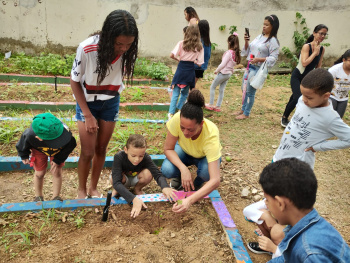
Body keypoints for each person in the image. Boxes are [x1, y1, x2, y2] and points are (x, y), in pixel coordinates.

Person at [70, 10, 139, 199]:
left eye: (128, 44)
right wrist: (88, 115)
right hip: (87, 103)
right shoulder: (86, 49)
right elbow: (75, 81)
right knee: (87, 150)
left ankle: (93, 188)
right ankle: (82, 190)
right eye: (119, 44)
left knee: (101, 149)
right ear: (109, 37)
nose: (124, 48)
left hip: (110, 102)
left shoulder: (128, 51)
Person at [259, 158, 350, 262]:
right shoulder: (308, 224)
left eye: (267, 200)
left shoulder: (310, 254)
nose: (266, 204)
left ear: (280, 204)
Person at [273, 68, 350, 170]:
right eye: (303, 95)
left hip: (297, 168)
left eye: (309, 98)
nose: (304, 99)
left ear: (326, 96)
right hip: (279, 157)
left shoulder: (330, 117)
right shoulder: (302, 100)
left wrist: (318, 147)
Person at [161, 90, 221, 213]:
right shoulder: (177, 118)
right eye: (182, 128)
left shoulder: (211, 135)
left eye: (190, 130)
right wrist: (183, 169)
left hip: (203, 156)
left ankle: (196, 184)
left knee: (206, 173)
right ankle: (179, 177)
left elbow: (215, 180)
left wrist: (189, 200)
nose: (185, 132)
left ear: (201, 124)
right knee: (167, 169)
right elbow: (168, 148)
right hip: (184, 151)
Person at [110, 134, 177, 218]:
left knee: (148, 173)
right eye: (133, 156)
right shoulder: (119, 157)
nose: (137, 159)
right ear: (126, 150)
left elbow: (158, 174)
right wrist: (133, 199)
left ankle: (137, 189)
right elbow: (116, 182)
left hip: (136, 179)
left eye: (141, 156)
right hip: (123, 179)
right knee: (115, 178)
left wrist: (165, 187)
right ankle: (118, 190)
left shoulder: (146, 158)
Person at [16, 113, 77, 201]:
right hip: (39, 150)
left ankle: (56, 196)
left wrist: (58, 159)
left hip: (58, 152)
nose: (57, 141)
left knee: (57, 171)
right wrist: (23, 154)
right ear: (38, 138)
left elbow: (71, 144)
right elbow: (22, 144)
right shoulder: (30, 135)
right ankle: (38, 196)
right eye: (54, 141)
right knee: (39, 173)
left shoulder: (65, 133)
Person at [281, 24, 328, 127]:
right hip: (297, 76)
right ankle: (288, 119)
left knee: (295, 97)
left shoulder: (322, 49)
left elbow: (318, 66)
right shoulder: (307, 46)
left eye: (325, 34)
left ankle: (285, 117)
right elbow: (304, 63)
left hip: (308, 79)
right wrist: (314, 53)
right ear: (314, 33)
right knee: (298, 97)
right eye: (321, 33)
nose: (323, 36)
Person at [234, 15, 280, 120]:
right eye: (263, 24)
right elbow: (248, 50)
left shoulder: (273, 41)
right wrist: (246, 41)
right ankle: (243, 109)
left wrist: (259, 59)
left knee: (250, 91)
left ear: (273, 26)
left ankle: (246, 113)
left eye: (266, 25)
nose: (264, 26)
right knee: (244, 88)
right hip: (249, 66)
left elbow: (273, 58)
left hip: (258, 69)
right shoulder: (260, 36)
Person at [168, 24, 204, 120]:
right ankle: (179, 110)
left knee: (175, 92)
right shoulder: (199, 46)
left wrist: (179, 59)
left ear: (187, 33)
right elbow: (200, 63)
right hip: (190, 71)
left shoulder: (181, 43)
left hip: (181, 69)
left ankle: (171, 113)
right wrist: (194, 61)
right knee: (184, 93)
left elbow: (171, 55)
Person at [205, 33, 241, 112]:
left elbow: (223, 64)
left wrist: (217, 70)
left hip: (223, 73)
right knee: (221, 89)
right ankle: (218, 106)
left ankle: (211, 104)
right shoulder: (236, 53)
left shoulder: (228, 53)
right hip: (228, 74)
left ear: (229, 42)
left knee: (212, 87)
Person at [328, 49, 350, 118]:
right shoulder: (334, 70)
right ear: (344, 60)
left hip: (344, 98)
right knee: (329, 118)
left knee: (338, 119)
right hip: (332, 96)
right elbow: (325, 83)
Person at [194, 20, 211, 86]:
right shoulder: (208, 42)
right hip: (202, 67)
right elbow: (208, 55)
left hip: (195, 66)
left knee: (190, 86)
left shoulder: (199, 41)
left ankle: (191, 96)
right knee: (192, 85)